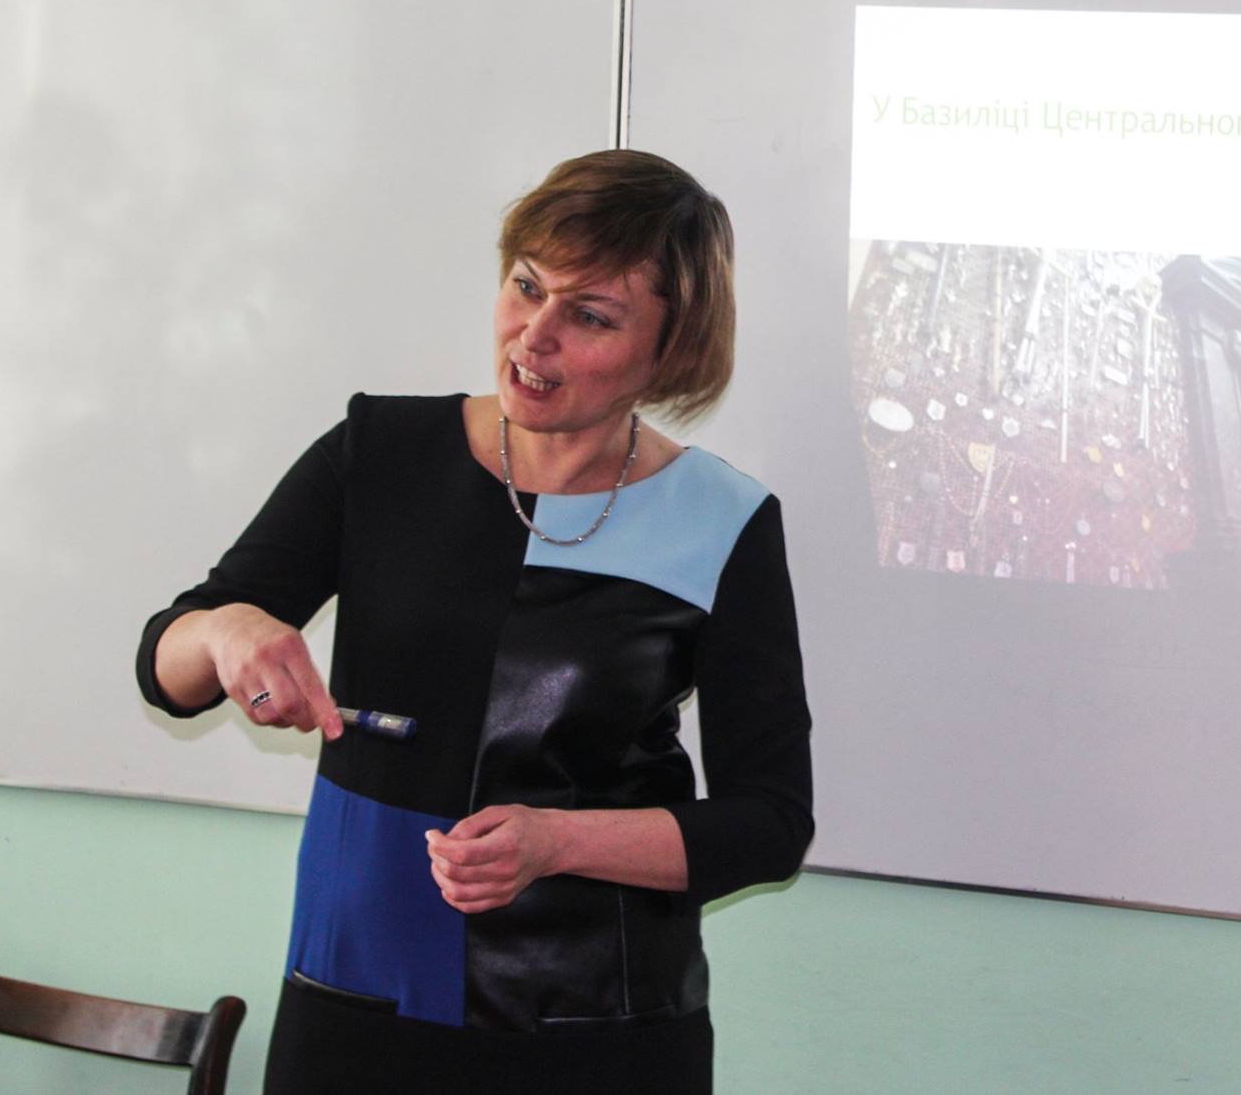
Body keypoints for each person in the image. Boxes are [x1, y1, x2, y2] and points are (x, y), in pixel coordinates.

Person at [136, 149, 813, 1093]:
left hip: (595, 1028)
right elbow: (168, 664)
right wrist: (223, 631)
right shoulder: (379, 453)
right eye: (526, 286)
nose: (535, 335)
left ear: (671, 349)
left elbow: (768, 823)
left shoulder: (723, 522)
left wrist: (559, 841)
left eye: (590, 315)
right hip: (357, 1001)